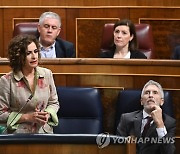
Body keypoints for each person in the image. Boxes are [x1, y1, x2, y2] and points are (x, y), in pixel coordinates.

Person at [0, 35, 59, 133]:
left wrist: (47, 114)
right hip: (18, 135)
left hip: (43, 132)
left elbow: (53, 103)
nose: (34, 56)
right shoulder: (7, 81)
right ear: (19, 56)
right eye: (28, 53)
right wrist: (27, 117)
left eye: (35, 52)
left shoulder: (46, 74)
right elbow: (1, 113)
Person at [116, 80, 176, 154]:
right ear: (141, 101)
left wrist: (160, 124)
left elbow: (168, 152)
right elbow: (117, 149)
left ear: (162, 101)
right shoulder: (126, 119)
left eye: (155, 92)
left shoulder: (169, 123)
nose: (150, 95)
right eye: (147, 93)